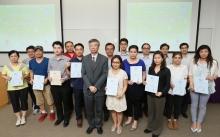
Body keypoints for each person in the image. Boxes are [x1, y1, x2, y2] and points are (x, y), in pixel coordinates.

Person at [189, 45, 218, 133]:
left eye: (205, 51)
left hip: (207, 88)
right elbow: (190, 74)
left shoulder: (213, 62)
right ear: (198, 53)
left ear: (208, 52)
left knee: (202, 106)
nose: (203, 53)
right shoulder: (194, 61)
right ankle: (194, 122)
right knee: (194, 105)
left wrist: (213, 77)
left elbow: (216, 74)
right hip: (194, 87)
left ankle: (199, 123)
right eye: (201, 51)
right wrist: (191, 84)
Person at [82, 39, 108, 134]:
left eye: (95, 45)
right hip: (88, 89)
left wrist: (96, 86)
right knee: (89, 108)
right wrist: (90, 86)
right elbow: (83, 74)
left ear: (98, 47)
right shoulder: (85, 58)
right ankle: (91, 125)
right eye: (91, 45)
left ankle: (98, 125)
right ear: (89, 47)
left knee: (99, 108)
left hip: (99, 89)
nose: (93, 47)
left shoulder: (104, 59)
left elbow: (105, 74)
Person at [144, 51, 171, 137]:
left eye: (159, 58)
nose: (157, 59)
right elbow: (149, 80)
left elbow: (167, 84)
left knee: (159, 113)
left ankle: (156, 130)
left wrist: (162, 92)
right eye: (155, 58)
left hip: (160, 95)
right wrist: (146, 83)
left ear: (162, 59)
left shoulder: (166, 70)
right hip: (150, 94)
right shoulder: (151, 68)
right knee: (150, 111)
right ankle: (150, 126)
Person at [2, 50, 29, 126]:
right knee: (14, 103)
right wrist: (7, 77)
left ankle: (23, 117)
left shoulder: (23, 65)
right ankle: (18, 118)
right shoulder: (6, 66)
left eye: (15, 56)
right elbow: (3, 75)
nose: (13, 58)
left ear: (18, 57)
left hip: (23, 87)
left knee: (24, 101)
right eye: (12, 56)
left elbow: (27, 74)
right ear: (9, 57)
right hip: (12, 88)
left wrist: (24, 76)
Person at [122, 45, 146, 131]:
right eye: (131, 52)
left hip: (138, 86)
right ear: (128, 52)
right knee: (128, 103)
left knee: (137, 104)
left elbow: (144, 73)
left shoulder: (141, 62)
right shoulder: (124, 62)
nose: (133, 54)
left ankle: (135, 121)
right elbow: (122, 74)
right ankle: (129, 119)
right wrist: (127, 81)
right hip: (128, 86)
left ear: (137, 52)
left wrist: (142, 80)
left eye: (134, 52)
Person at [48, 41, 72, 127]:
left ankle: (66, 118)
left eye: (59, 48)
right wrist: (49, 77)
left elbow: (70, 73)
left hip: (64, 84)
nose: (57, 50)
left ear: (62, 49)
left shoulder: (67, 59)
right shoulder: (51, 60)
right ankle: (60, 117)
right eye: (55, 48)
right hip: (54, 85)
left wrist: (65, 79)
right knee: (57, 102)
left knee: (66, 102)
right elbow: (48, 71)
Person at [29, 46, 55, 122]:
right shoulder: (31, 61)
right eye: (36, 51)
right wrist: (31, 78)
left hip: (46, 83)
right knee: (39, 99)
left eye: (40, 51)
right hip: (36, 84)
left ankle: (52, 112)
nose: (38, 52)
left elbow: (51, 71)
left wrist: (47, 79)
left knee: (49, 98)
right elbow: (31, 71)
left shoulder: (48, 60)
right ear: (34, 53)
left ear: (43, 52)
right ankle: (43, 113)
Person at [105, 55, 128, 135]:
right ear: (111, 63)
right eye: (114, 62)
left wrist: (121, 94)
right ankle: (115, 123)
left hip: (119, 95)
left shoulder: (123, 73)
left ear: (120, 63)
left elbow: (125, 86)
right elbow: (107, 83)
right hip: (111, 95)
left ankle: (119, 125)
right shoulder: (108, 71)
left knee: (119, 111)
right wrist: (106, 88)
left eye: (117, 62)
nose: (115, 64)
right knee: (113, 110)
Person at [66, 43, 87, 128]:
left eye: (80, 49)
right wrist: (66, 68)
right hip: (76, 85)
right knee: (77, 103)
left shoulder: (87, 59)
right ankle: (78, 118)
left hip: (87, 85)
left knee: (87, 102)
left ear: (83, 50)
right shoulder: (72, 61)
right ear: (75, 51)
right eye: (77, 49)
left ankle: (87, 115)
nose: (79, 51)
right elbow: (69, 75)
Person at [166, 52, 188, 130]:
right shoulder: (168, 67)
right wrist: (170, 84)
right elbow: (166, 79)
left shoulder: (184, 67)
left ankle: (175, 120)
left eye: (179, 58)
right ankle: (169, 120)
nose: (177, 59)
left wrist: (182, 86)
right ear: (173, 58)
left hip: (180, 90)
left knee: (178, 106)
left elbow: (185, 78)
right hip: (170, 90)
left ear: (181, 58)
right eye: (175, 58)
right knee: (169, 106)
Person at [22, 45, 40, 114]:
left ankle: (41, 107)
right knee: (32, 95)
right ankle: (35, 107)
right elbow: (22, 72)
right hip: (28, 81)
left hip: (38, 80)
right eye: (29, 52)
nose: (31, 53)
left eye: (32, 51)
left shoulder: (38, 59)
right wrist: (28, 77)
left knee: (38, 94)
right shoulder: (24, 61)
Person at [179, 43, 193, 118]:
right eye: (182, 48)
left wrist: (188, 79)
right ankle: (176, 110)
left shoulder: (192, 58)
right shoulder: (177, 57)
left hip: (187, 80)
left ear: (188, 48)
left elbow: (192, 70)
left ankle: (183, 111)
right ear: (180, 49)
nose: (184, 49)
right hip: (178, 80)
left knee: (185, 96)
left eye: (185, 48)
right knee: (176, 96)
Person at [103, 42, 115, 122]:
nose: (109, 51)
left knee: (115, 98)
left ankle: (116, 113)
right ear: (105, 50)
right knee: (104, 99)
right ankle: (106, 114)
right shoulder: (102, 59)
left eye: (111, 49)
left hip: (115, 82)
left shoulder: (117, 59)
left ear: (113, 50)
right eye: (108, 49)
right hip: (105, 82)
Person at [63, 41, 75, 114]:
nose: (69, 48)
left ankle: (82, 105)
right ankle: (70, 107)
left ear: (73, 46)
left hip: (77, 77)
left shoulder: (77, 53)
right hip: (67, 77)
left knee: (78, 92)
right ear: (65, 47)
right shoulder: (63, 55)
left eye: (71, 46)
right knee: (68, 93)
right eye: (68, 46)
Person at [141, 43, 153, 117]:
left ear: (149, 49)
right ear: (142, 49)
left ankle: (146, 109)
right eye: (144, 48)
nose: (146, 49)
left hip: (151, 79)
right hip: (141, 79)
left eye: (147, 48)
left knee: (148, 96)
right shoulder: (139, 59)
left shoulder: (153, 59)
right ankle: (140, 109)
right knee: (141, 95)